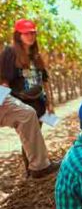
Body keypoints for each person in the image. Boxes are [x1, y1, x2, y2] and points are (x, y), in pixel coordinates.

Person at [0, 18, 57, 174]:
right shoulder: (10, 53)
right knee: (27, 131)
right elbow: (4, 80)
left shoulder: (36, 56)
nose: (30, 36)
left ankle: (37, 166)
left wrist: (50, 103)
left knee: (34, 133)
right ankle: (34, 168)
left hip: (38, 101)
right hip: (20, 100)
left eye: (32, 33)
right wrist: (2, 102)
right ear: (18, 35)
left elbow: (45, 81)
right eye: (26, 33)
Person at [0, 93, 60, 179]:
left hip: (38, 103)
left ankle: (38, 166)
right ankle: (39, 166)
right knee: (26, 114)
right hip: (23, 99)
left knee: (27, 116)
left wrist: (48, 103)